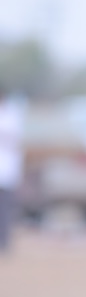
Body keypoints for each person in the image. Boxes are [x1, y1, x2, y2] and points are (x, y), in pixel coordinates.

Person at [0, 85, 25, 253]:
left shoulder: (11, 115)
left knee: (5, 208)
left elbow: (14, 140)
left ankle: (4, 241)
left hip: (6, 170)